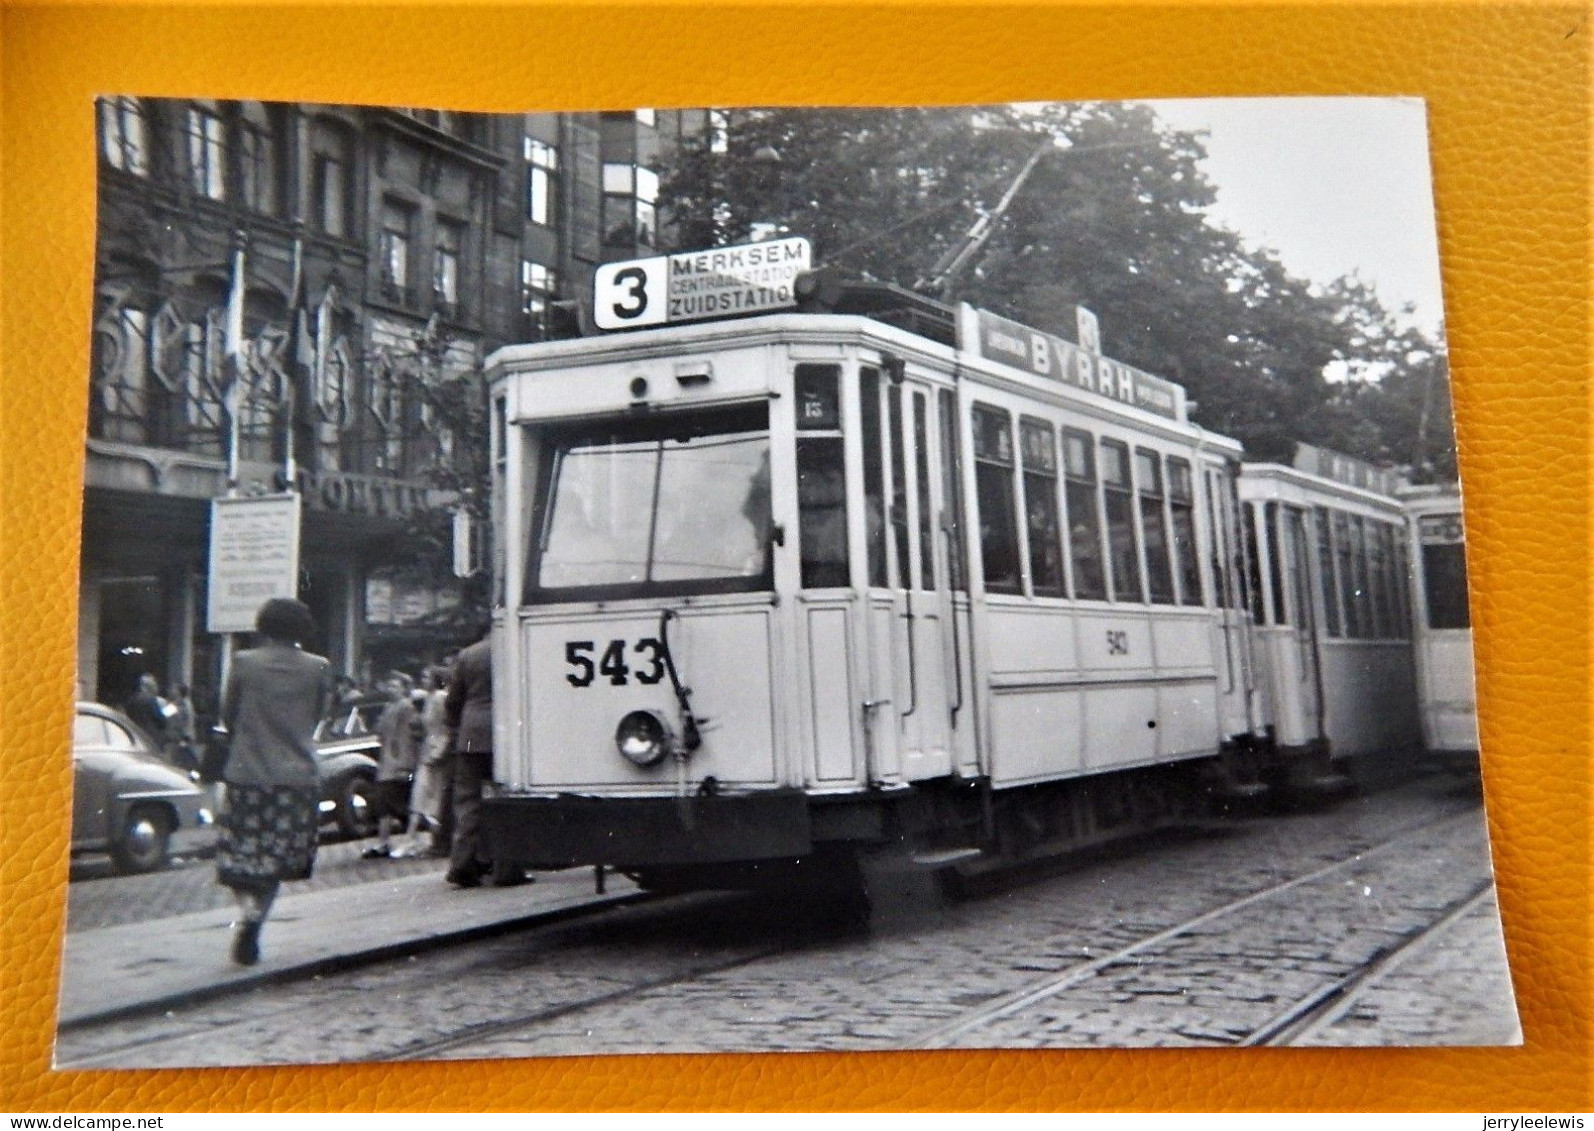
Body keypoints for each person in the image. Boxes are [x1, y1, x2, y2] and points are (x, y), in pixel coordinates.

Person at [215, 598, 334, 966]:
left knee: (239, 854)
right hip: (296, 778)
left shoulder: (244, 663)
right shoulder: (319, 668)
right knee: (276, 858)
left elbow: (228, 715)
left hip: (247, 773)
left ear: (263, 625)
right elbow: (318, 716)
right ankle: (256, 923)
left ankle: (247, 910)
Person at [444, 631, 523, 887]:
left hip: (470, 733)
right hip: (505, 732)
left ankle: (462, 866)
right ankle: (507, 869)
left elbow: (453, 699)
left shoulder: (468, 654)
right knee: (506, 799)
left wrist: (457, 725)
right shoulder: (513, 645)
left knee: (467, 802)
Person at [393, 666, 451, 858]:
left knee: (430, 796)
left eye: (427, 676)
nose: (424, 679)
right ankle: (416, 838)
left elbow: (445, 727)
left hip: (435, 750)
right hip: (428, 749)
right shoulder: (428, 699)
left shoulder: (440, 698)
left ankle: (431, 840)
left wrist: (440, 750)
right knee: (422, 796)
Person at [363, 672, 420, 859]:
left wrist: (406, 763)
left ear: (404, 688)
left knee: (392, 802)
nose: (391, 689)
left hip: (397, 762)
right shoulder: (390, 708)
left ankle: (401, 841)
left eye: (396, 686)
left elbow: (407, 737)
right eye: (390, 686)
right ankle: (387, 841)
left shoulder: (405, 707)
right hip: (388, 762)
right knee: (386, 803)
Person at [123, 673, 169, 746]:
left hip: (133, 734)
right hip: (150, 736)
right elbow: (160, 719)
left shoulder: (131, 700)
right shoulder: (152, 700)